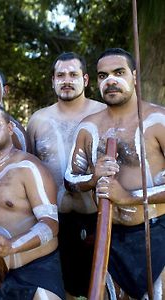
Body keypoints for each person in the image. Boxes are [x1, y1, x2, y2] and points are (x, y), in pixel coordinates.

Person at [65, 47, 165, 299]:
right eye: (102, 75)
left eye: (118, 72)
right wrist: (93, 178)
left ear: (134, 75)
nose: (110, 80)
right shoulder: (88, 128)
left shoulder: (158, 121)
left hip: (157, 234)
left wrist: (128, 197)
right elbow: (70, 179)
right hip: (110, 237)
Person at [0, 104, 65, 299]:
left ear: (9, 128)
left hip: (37, 270)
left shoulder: (29, 167)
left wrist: (12, 246)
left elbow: (50, 226)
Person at [27, 52, 105, 298]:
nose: (66, 80)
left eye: (73, 75)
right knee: (62, 289)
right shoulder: (38, 120)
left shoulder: (104, 114)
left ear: (86, 79)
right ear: (52, 80)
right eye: (60, 75)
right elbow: (30, 168)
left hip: (98, 217)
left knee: (101, 288)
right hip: (55, 221)